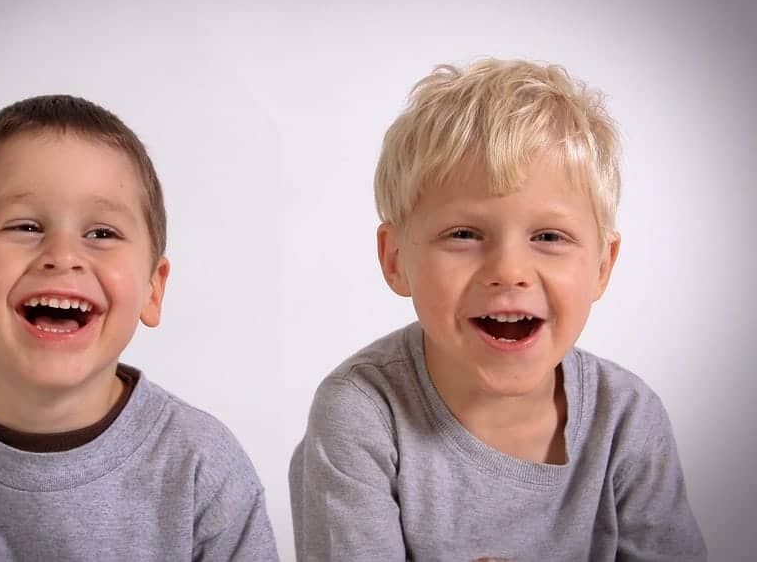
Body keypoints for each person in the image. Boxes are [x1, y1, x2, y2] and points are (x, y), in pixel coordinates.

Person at [289, 59, 706, 561]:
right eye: (463, 234)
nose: (510, 271)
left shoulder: (626, 418)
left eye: (548, 237)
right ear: (395, 259)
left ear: (602, 265)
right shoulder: (363, 414)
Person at [0, 95, 279, 561]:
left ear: (153, 290)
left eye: (101, 234)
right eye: (25, 226)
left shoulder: (203, 468)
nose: (63, 255)